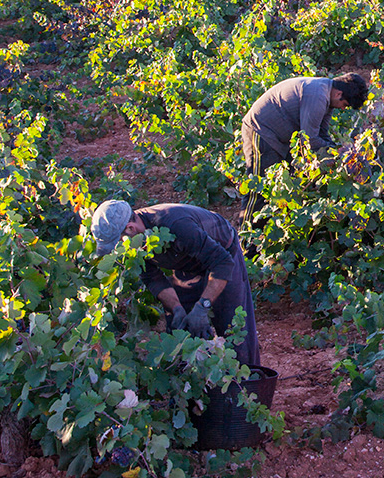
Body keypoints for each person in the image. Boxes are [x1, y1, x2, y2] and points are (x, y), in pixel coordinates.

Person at [91, 200, 260, 368]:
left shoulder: (176, 225)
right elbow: (152, 278)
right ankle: (193, 387)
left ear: (130, 228)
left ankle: (247, 383)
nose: (117, 250)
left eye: (117, 242)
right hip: (186, 262)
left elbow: (222, 262)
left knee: (233, 329)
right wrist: (177, 308)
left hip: (222, 255)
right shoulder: (135, 242)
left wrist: (202, 306)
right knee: (180, 331)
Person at [240, 73, 369, 176]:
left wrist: (337, 150)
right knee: (259, 188)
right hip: (260, 131)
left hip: (279, 137)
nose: (342, 109)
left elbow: (322, 133)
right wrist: (337, 154)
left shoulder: (327, 96)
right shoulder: (318, 97)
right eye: (345, 105)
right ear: (338, 94)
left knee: (288, 182)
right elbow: (309, 139)